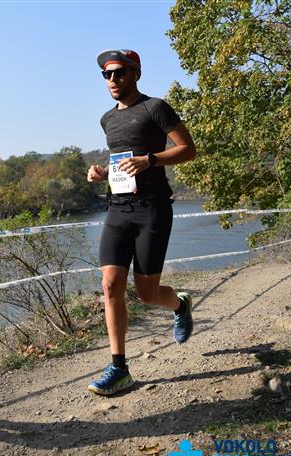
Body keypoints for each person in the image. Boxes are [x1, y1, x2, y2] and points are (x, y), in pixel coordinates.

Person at [86, 49, 197, 396]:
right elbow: (120, 163)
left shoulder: (155, 108)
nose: (112, 80)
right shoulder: (107, 119)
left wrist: (151, 160)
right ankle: (119, 368)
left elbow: (188, 149)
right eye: (107, 74)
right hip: (118, 209)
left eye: (119, 72)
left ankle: (179, 304)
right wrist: (102, 173)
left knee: (147, 294)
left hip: (152, 208)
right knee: (110, 286)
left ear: (136, 74)